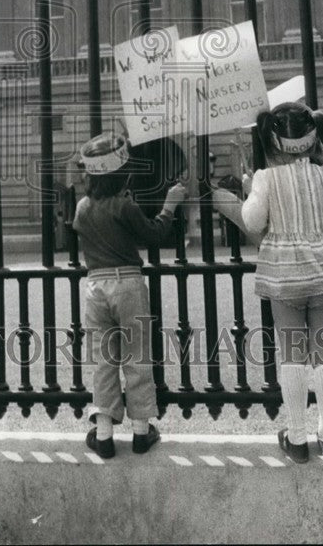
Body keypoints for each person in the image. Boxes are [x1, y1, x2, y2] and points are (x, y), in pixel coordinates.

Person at [240, 102, 323, 463]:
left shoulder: (265, 178)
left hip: (285, 275)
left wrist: (250, 190)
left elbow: (253, 222)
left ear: (273, 143)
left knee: (292, 354)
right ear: (313, 140)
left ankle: (296, 438)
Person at [73, 132, 187, 459]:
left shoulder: (82, 208)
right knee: (137, 356)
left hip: (95, 287)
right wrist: (169, 206)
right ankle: (140, 431)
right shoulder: (125, 206)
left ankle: (104, 434)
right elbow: (154, 234)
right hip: (128, 284)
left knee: (103, 361)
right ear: (122, 175)